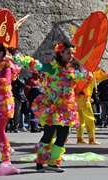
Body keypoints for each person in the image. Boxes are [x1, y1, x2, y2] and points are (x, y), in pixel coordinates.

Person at [31, 41, 93, 173]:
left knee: (62, 136)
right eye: (68, 53)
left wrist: (87, 74)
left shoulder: (74, 69)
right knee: (48, 135)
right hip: (53, 107)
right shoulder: (53, 67)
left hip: (67, 108)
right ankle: (41, 162)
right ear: (61, 53)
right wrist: (19, 58)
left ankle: (53, 162)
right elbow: (38, 65)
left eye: (72, 53)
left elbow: (88, 75)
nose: (71, 55)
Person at [76, 68, 108, 145]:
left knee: (80, 119)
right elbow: (99, 76)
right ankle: (91, 139)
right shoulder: (88, 72)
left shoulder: (83, 70)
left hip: (78, 98)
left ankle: (80, 138)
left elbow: (100, 76)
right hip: (84, 99)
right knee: (90, 119)